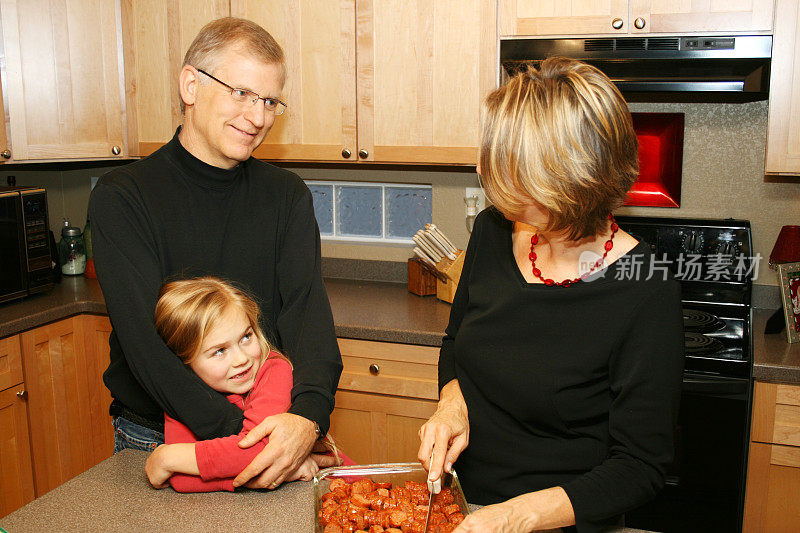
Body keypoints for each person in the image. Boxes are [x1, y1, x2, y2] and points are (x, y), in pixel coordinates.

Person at [417, 57, 684, 532]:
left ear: (565, 183)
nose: (485, 169)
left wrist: (515, 517)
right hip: (464, 508)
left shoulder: (646, 285)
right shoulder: (492, 232)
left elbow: (640, 467)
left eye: (508, 165)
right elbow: (456, 343)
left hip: (556, 522)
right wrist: (451, 403)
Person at [89, 17, 342, 490]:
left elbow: (308, 318)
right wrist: (244, 442)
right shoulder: (123, 196)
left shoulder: (287, 195)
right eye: (241, 93)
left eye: (269, 101)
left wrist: (306, 421)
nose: (258, 116)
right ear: (190, 84)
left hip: (276, 429)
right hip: (162, 444)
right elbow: (145, 349)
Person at [144, 277, 352, 492]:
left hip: (341, 491)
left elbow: (260, 451)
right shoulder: (183, 393)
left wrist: (168, 457)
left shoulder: (273, 369)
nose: (241, 359)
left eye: (245, 337)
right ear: (185, 361)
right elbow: (181, 480)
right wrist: (252, 480)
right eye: (220, 351)